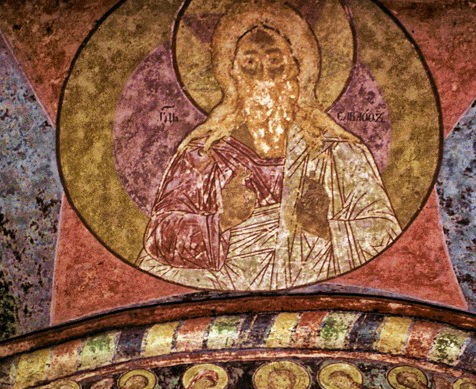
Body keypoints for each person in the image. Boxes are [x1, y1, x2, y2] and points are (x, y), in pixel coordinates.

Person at [138, 1, 401, 290]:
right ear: (232, 75)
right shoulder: (203, 156)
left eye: (276, 61)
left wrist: (324, 227)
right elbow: (159, 237)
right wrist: (223, 220)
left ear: (297, 69)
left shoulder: (339, 154)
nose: (264, 75)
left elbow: (386, 237)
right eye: (250, 63)